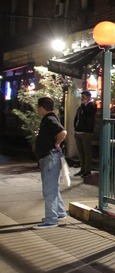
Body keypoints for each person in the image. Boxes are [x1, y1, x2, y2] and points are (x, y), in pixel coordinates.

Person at [33, 97, 68, 229]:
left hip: (50, 157)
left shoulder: (49, 119)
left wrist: (57, 143)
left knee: (49, 190)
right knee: (53, 188)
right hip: (50, 157)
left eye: (38, 107)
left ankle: (51, 219)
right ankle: (60, 214)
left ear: (41, 108)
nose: (37, 110)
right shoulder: (50, 118)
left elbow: (63, 132)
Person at [73, 90, 97, 177]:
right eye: (82, 96)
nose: (82, 98)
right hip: (78, 131)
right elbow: (77, 117)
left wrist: (83, 105)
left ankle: (87, 170)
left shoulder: (92, 105)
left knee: (87, 152)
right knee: (81, 152)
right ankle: (82, 169)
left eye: (84, 96)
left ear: (88, 97)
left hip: (86, 132)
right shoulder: (81, 107)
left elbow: (87, 114)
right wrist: (75, 127)